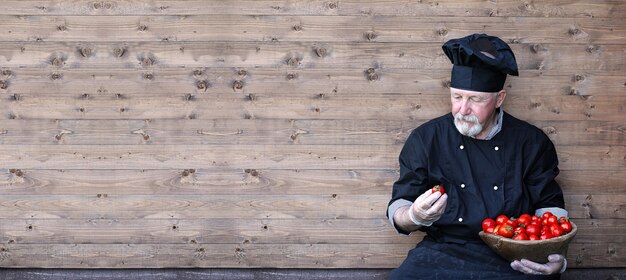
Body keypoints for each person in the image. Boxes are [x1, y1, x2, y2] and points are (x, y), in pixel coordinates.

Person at [386, 33, 569, 279]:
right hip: (444, 251)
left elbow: (550, 207)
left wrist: (556, 256)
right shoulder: (427, 138)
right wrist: (413, 216)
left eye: (475, 99)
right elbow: (400, 205)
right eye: (457, 97)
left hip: (514, 250)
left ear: (499, 99)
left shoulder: (531, 142)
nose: (463, 109)